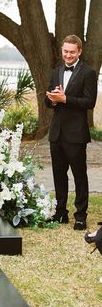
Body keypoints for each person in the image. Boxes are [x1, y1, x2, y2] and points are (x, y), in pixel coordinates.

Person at [45, 34, 98, 230]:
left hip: (76, 134)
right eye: (65, 51)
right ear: (62, 50)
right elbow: (47, 101)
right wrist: (51, 99)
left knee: (79, 175)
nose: (68, 55)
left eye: (72, 52)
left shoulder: (88, 73)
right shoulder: (56, 71)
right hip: (56, 132)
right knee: (59, 175)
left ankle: (81, 216)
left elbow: (89, 102)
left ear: (79, 52)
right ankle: (60, 213)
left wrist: (66, 99)